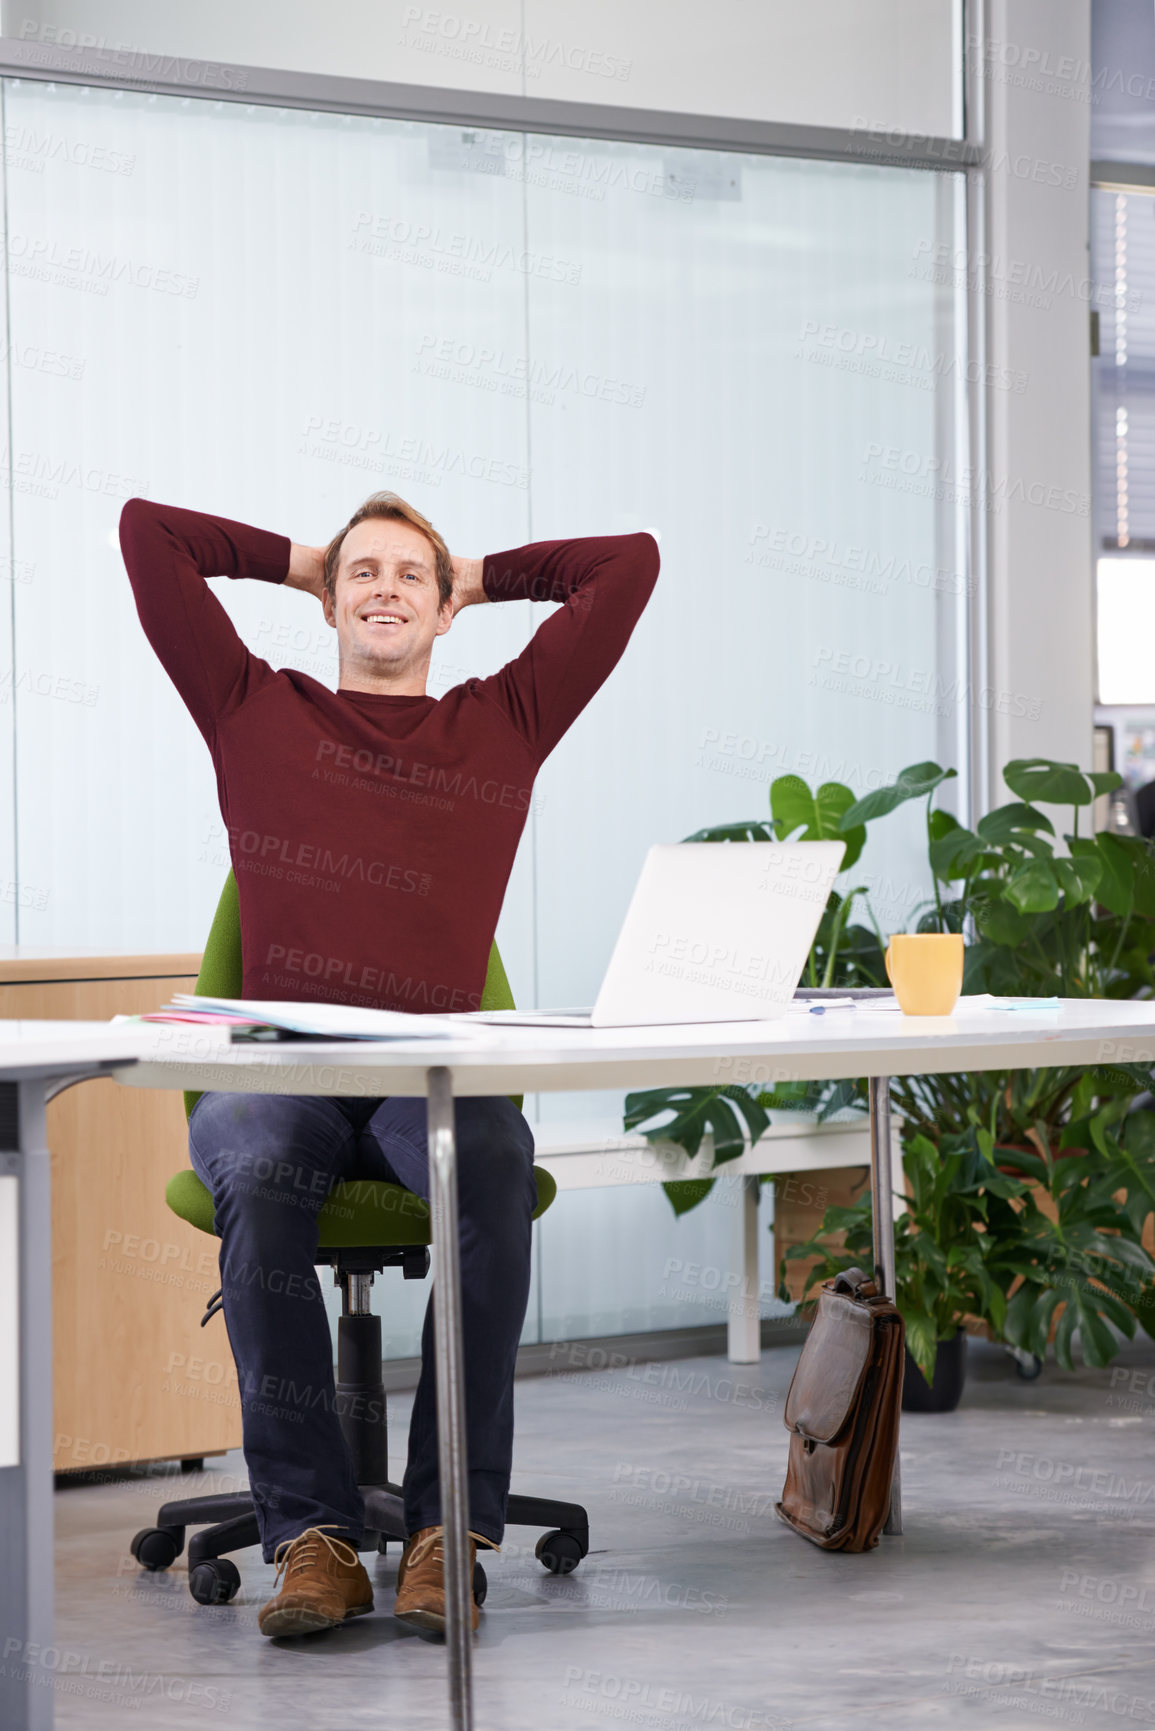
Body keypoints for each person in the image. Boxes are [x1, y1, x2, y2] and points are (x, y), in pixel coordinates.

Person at [119, 490, 659, 1639]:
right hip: (282, 1074)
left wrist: (482, 572)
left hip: (433, 1078)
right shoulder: (252, 708)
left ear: (445, 605)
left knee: (492, 1165)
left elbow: (629, 563)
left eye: (410, 576)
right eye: (361, 573)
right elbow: (146, 534)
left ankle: (441, 1530)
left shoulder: (503, 720)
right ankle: (310, 1538)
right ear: (329, 597)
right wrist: (301, 558)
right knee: (260, 1175)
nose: (384, 591)